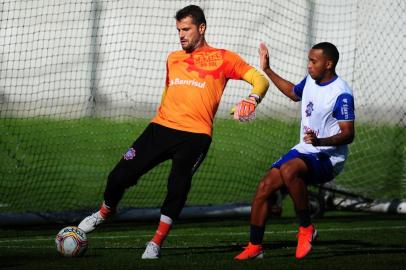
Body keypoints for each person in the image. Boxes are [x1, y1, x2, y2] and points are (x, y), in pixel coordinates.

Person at [77, 5, 269, 259]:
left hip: (195, 136)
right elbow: (168, 90)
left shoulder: (224, 58)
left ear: (201, 28)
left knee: (176, 187)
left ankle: (156, 242)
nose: (181, 34)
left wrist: (253, 99)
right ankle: (104, 212)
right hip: (160, 128)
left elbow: (260, 80)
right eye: (178, 29)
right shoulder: (173, 58)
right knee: (117, 177)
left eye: (186, 29)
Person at [234, 42, 355, 260]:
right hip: (307, 148)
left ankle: (306, 228)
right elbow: (293, 92)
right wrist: (268, 70)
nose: (309, 65)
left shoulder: (341, 93)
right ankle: (255, 246)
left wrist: (320, 141)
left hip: (329, 156)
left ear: (328, 64)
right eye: (308, 60)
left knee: (289, 170)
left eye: (313, 61)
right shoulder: (311, 80)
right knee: (265, 187)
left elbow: (349, 134)